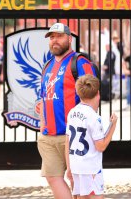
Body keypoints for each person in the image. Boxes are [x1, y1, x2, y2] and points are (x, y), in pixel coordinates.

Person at [38, 23, 97, 199]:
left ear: (69, 39)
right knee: (52, 177)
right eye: (52, 37)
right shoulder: (47, 66)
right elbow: (43, 98)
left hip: (73, 135)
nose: (55, 40)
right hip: (49, 136)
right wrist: (42, 126)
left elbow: (93, 96)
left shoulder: (79, 62)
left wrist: (86, 130)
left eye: (59, 36)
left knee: (77, 181)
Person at [66, 74, 118, 198]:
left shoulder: (72, 113)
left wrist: (69, 167)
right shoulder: (94, 118)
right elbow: (101, 146)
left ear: (79, 93)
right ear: (98, 93)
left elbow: (67, 142)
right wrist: (113, 125)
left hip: (76, 167)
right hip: (91, 169)